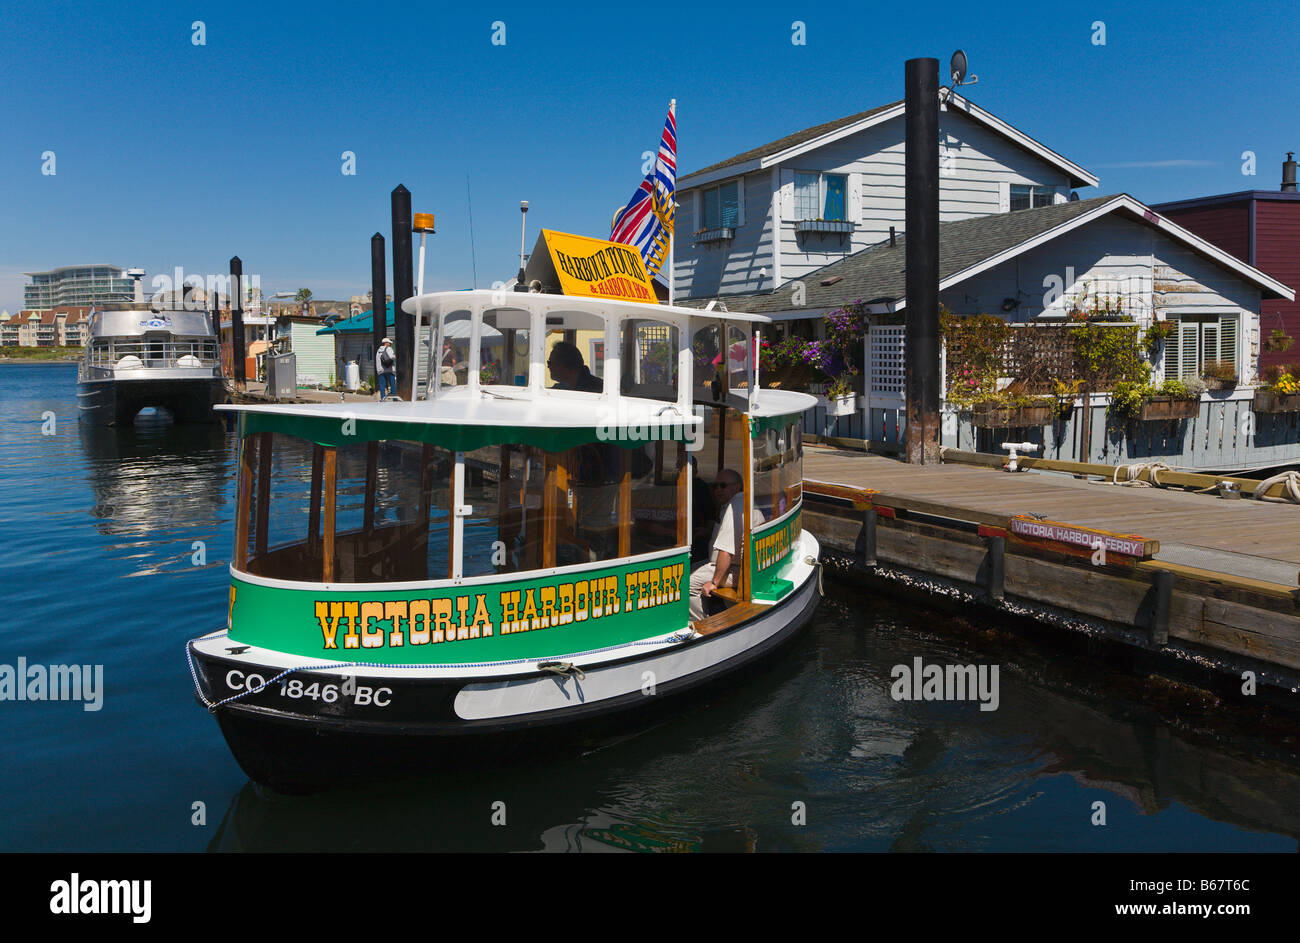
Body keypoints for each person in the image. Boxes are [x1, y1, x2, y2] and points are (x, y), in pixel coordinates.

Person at [688, 469, 764, 621]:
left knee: (686, 583)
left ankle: (702, 623)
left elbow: (726, 552)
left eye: (723, 486)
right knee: (687, 568)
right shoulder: (743, 501)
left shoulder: (734, 507)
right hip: (741, 566)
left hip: (737, 570)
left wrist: (714, 583)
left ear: (737, 486)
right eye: (714, 486)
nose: (717, 490)